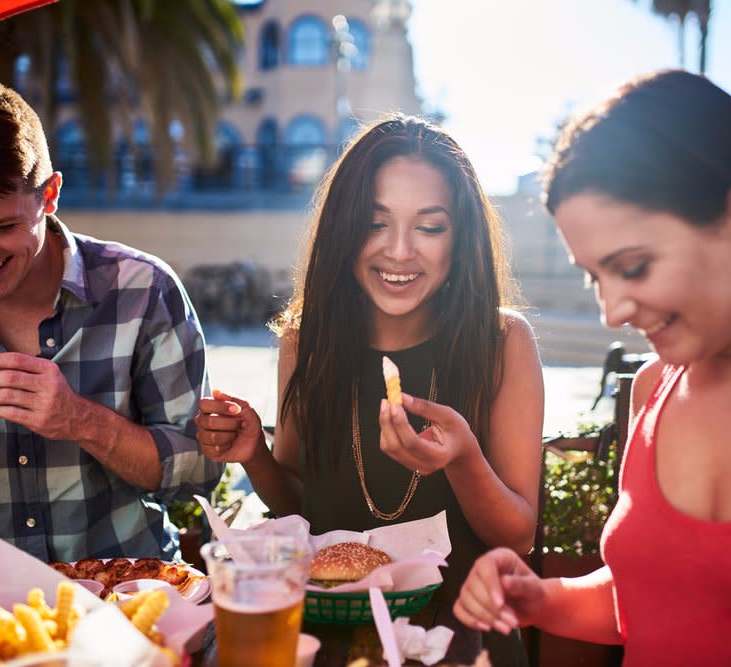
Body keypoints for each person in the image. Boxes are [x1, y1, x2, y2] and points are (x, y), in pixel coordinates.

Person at [453, 69, 731, 666]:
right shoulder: (651, 391)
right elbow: (646, 600)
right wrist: (536, 597)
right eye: (596, 276)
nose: (612, 312)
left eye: (634, 266)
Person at [195, 114, 544, 664]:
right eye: (375, 223)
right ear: (343, 228)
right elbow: (303, 508)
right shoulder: (304, 338)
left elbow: (517, 537)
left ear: (462, 238)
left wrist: (462, 460)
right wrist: (255, 456)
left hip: (461, 637)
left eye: (430, 227)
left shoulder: (504, 342)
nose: (400, 250)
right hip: (327, 635)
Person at [0, 78, 221, 562]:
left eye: (1, 226)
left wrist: (82, 420)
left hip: (128, 601)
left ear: (49, 195)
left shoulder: (142, 290)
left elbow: (200, 469)